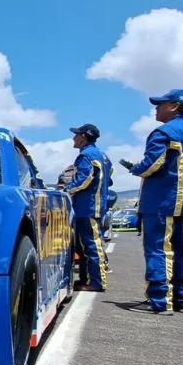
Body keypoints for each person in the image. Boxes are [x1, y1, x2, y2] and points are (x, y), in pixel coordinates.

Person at [119, 89, 183, 315]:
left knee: (158, 250)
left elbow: (151, 165)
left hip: (161, 201)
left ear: (175, 106)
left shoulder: (164, 133)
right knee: (182, 251)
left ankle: (161, 300)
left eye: (161, 104)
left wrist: (134, 168)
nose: (156, 108)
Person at [64, 124, 110, 292]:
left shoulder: (86, 156)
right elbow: (109, 173)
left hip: (88, 206)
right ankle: (87, 279)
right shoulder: (101, 155)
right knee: (86, 245)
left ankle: (97, 282)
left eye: (76, 135)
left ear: (83, 136)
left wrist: (65, 191)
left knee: (91, 245)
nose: (73, 138)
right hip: (93, 205)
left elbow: (84, 180)